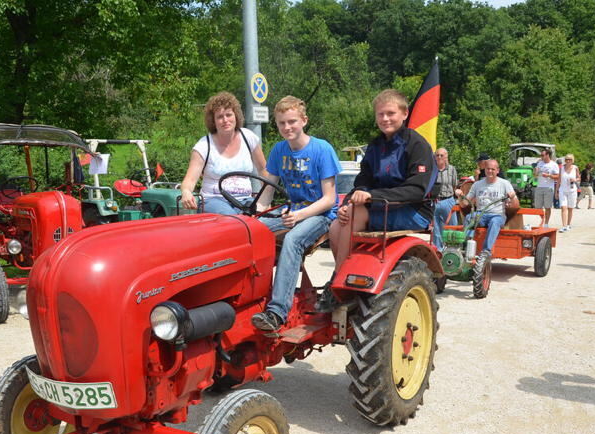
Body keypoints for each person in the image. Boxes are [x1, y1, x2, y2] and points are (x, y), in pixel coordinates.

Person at [250, 96, 340, 331]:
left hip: (321, 214)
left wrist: (300, 216)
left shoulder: (322, 149)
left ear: (304, 121)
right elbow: (268, 189)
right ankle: (247, 300)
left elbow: (329, 199)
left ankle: (276, 312)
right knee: (248, 232)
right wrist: (257, 213)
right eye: (282, 123)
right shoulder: (279, 150)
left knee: (292, 240)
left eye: (292, 121)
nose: (287, 127)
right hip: (293, 209)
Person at [328, 89, 437, 272]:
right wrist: (347, 204)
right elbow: (363, 181)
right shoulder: (375, 145)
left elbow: (417, 189)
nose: (385, 119)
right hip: (381, 206)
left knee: (356, 215)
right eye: (381, 114)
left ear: (404, 113)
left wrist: (371, 196)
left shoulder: (417, 145)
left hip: (413, 210)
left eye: (391, 113)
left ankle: (339, 278)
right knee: (335, 226)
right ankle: (347, 272)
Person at [180, 91, 267, 214]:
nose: (225, 120)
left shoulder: (249, 137)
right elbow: (189, 180)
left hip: (245, 200)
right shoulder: (204, 146)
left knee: (278, 217)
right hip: (213, 201)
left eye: (229, 115)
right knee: (235, 220)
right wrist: (186, 192)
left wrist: (266, 199)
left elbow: (263, 170)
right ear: (213, 121)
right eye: (220, 117)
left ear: (236, 116)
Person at [460, 159, 516, 257]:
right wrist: (460, 196)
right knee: (469, 218)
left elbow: (513, 202)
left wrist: (512, 197)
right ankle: (465, 246)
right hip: (481, 214)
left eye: (492, 169)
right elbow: (465, 202)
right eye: (488, 169)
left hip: (497, 215)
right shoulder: (477, 184)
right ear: (484, 170)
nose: (490, 171)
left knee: (494, 222)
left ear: (497, 170)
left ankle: (486, 251)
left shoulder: (504, 183)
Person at [431, 147, 459, 250]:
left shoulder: (451, 169)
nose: (439, 157)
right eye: (437, 155)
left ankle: (452, 249)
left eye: (441, 155)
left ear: (446, 156)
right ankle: (438, 250)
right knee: (436, 229)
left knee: (452, 226)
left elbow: (454, 185)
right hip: (435, 201)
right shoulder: (432, 169)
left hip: (448, 200)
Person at [533, 147, 558, 226]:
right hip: (539, 187)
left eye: (542, 155)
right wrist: (535, 171)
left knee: (547, 207)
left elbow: (557, 176)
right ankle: (543, 219)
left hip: (548, 188)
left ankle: (546, 223)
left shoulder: (553, 164)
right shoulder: (540, 163)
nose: (541, 156)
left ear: (548, 155)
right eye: (541, 155)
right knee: (537, 207)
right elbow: (535, 175)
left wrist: (549, 175)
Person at [557, 154, 579, 232]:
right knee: (563, 207)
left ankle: (568, 224)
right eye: (566, 159)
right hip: (562, 190)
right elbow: (559, 179)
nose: (568, 161)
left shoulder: (575, 168)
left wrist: (575, 180)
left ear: (572, 160)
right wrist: (557, 191)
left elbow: (579, 177)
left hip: (572, 190)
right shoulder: (561, 168)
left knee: (570, 208)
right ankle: (564, 226)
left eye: (570, 159)